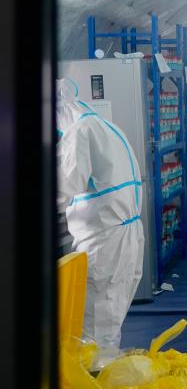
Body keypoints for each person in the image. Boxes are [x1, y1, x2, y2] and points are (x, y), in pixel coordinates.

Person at [56, 78, 144, 357]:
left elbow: (64, 186)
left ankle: (97, 376)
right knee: (110, 313)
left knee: (96, 321)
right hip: (125, 233)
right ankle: (105, 365)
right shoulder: (107, 127)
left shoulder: (80, 132)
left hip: (105, 241)